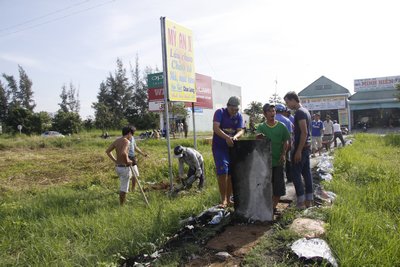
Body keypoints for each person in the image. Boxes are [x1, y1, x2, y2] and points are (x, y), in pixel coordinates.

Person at [256, 104, 290, 213]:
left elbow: (286, 141)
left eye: (273, 111)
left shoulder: (282, 126)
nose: (272, 113)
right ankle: (267, 206)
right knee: (265, 186)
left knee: (278, 186)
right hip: (265, 162)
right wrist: (259, 138)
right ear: (265, 114)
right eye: (270, 111)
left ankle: (273, 207)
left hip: (278, 161)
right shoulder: (261, 127)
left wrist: (284, 153)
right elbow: (257, 141)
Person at [212, 96, 245, 208]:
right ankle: (223, 200)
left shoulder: (239, 116)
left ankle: (229, 198)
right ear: (228, 106)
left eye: (236, 109)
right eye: (232, 109)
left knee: (231, 174)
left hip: (232, 148)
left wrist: (235, 137)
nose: (234, 112)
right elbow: (216, 128)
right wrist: (227, 137)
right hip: (219, 147)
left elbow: (241, 131)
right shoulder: (219, 112)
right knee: (223, 172)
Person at [284, 91, 313, 209]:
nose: (287, 105)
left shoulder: (300, 113)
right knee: (307, 174)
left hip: (302, 148)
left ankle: (300, 202)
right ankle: (309, 201)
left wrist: (298, 151)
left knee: (295, 174)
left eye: (287, 102)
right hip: (306, 147)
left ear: (293, 100)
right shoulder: (305, 111)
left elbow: (304, 132)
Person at [105, 126, 134, 206]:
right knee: (124, 188)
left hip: (118, 167)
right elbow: (124, 153)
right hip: (124, 167)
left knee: (123, 185)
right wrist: (128, 161)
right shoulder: (127, 142)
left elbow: (108, 151)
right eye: (131, 134)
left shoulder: (117, 140)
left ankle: (123, 201)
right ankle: (122, 206)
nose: (131, 136)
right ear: (129, 133)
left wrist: (115, 161)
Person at [275, 103, 293, 183]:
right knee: (287, 161)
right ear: (283, 111)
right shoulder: (287, 120)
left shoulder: (271, 119)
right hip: (285, 145)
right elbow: (289, 135)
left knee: (276, 163)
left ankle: (277, 180)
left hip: (274, 146)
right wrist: (290, 145)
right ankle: (289, 178)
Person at [127, 126, 148, 190]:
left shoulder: (132, 138)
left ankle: (133, 189)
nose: (133, 134)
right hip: (127, 157)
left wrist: (143, 154)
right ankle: (125, 189)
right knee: (127, 175)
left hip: (132, 157)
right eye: (133, 132)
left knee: (135, 174)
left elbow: (135, 147)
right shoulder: (125, 139)